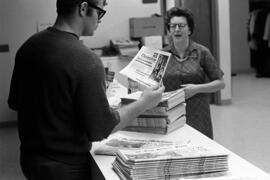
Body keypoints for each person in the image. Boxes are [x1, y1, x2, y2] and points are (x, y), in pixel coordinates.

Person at [7, 0, 164, 179]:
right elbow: (101, 128)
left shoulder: (28, 47)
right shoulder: (86, 60)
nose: (99, 19)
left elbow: (17, 103)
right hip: (65, 169)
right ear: (83, 8)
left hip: (30, 161)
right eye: (100, 12)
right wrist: (145, 102)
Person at [162, 7, 225, 139]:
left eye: (181, 25)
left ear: (189, 30)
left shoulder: (202, 52)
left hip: (198, 113)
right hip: (171, 113)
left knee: (200, 148)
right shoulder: (162, 55)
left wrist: (197, 89)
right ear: (169, 30)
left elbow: (220, 83)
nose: (177, 29)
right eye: (173, 26)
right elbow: (152, 82)